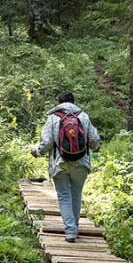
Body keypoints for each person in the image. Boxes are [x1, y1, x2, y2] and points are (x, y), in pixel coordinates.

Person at [31, 92, 101, 242]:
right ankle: (74, 228)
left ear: (59, 103)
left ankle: (70, 232)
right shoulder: (83, 116)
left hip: (60, 163)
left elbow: (47, 142)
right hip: (81, 163)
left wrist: (38, 152)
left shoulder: (53, 118)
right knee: (76, 195)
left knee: (64, 197)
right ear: (73, 102)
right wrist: (96, 148)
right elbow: (94, 140)